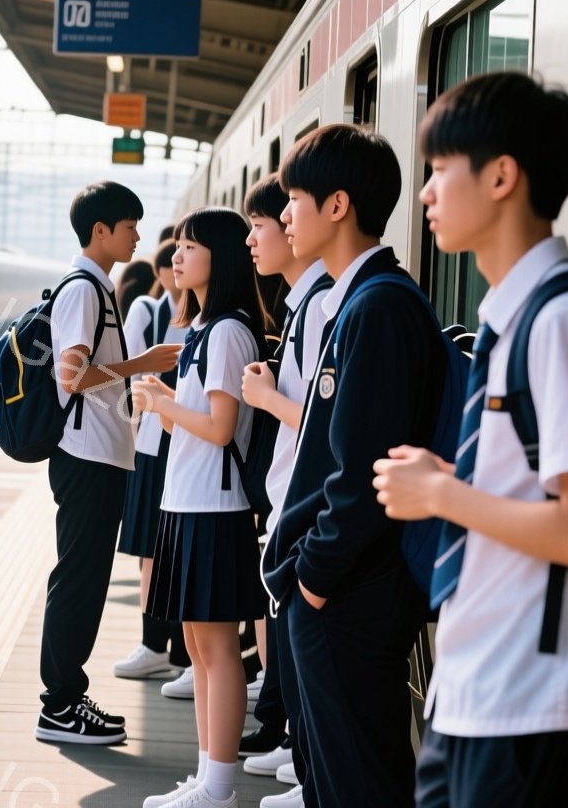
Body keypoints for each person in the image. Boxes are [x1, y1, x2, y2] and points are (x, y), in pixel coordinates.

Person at [373, 72, 568, 808]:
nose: (425, 194)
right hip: (477, 693)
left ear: (500, 177)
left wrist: (443, 493)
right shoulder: (511, 321)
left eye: (438, 171)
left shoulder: (565, 325)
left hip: (537, 710)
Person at [260, 123, 441, 808]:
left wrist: (312, 578)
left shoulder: (380, 308)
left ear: (337, 206)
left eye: (294, 199)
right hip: (339, 589)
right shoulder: (362, 302)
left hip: (348, 593)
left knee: (358, 785)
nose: (284, 217)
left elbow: (363, 470)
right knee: (336, 778)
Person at [34, 180, 181, 747]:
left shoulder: (96, 287)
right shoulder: (84, 291)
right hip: (86, 455)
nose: (139, 235)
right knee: (78, 579)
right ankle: (59, 706)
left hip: (99, 455)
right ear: (102, 231)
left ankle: (68, 696)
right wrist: (139, 363)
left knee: (86, 579)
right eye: (130, 225)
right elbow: (68, 377)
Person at [132, 207, 267, 808]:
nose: (176, 256)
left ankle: (219, 786)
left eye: (190, 246)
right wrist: (164, 399)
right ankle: (205, 777)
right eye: (177, 246)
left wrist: (162, 405)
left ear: (223, 255)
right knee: (196, 644)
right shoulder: (204, 329)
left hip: (215, 506)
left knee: (214, 647)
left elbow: (219, 428)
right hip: (186, 502)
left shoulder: (229, 331)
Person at [238, 175, 334, 806]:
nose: (255, 239)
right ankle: (301, 755)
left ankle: (311, 769)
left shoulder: (323, 304)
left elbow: (326, 421)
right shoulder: (307, 303)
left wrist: (267, 398)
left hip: (308, 505)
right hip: (290, 499)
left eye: (267, 222)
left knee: (312, 660)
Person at [112, 242, 192, 683]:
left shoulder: (210, 321)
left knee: (180, 550)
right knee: (150, 550)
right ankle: (152, 643)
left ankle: (182, 653)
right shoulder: (149, 310)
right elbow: (128, 374)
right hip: (152, 442)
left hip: (187, 439)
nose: (177, 264)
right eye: (174, 257)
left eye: (188, 252)